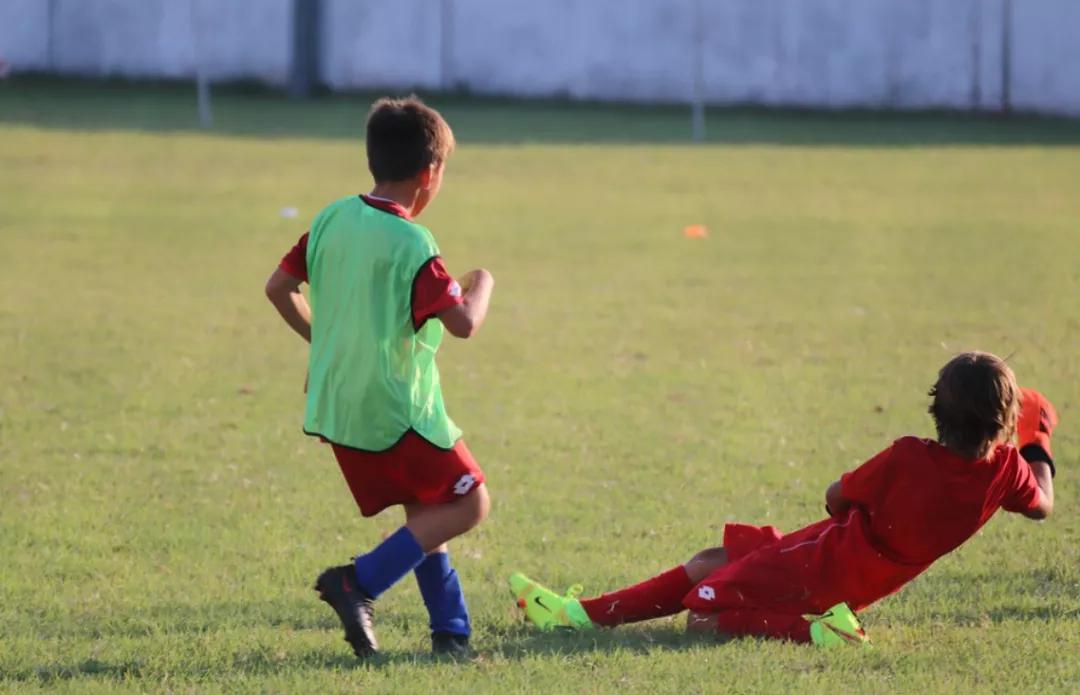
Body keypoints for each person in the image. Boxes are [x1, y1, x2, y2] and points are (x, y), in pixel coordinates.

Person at [510, 352, 1058, 646]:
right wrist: (1038, 443)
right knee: (712, 561)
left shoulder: (909, 456)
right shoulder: (1006, 471)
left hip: (831, 561)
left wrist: (855, 504)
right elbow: (1042, 505)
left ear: (937, 408)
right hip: (858, 571)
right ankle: (577, 616)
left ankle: (820, 632)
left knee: (703, 615)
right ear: (1003, 422)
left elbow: (834, 497)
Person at [265, 96, 495, 658]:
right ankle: (358, 582)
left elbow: (278, 288)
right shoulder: (414, 242)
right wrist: (482, 279)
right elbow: (462, 323)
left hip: (340, 405)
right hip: (397, 410)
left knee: (427, 510)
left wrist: (330, 347)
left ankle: (451, 634)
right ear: (430, 173)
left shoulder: (330, 217)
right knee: (469, 505)